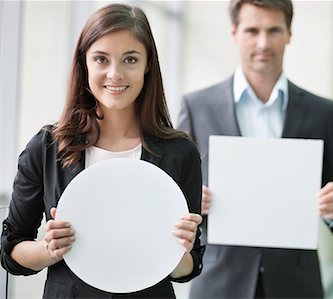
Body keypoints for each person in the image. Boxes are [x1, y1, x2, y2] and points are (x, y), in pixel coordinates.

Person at [0, 3, 204, 298]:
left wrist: (177, 251)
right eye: (101, 59)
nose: (115, 74)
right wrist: (50, 249)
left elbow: (190, 266)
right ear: (84, 64)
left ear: (148, 65)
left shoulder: (180, 152)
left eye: (130, 59)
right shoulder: (47, 147)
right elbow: (11, 249)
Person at [177, 0, 333, 297]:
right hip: (220, 280)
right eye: (252, 30)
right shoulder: (197, 107)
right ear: (234, 33)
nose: (263, 42)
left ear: (289, 34)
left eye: (273, 30)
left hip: (295, 283)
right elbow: (175, 200)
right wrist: (195, 202)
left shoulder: (321, 112)